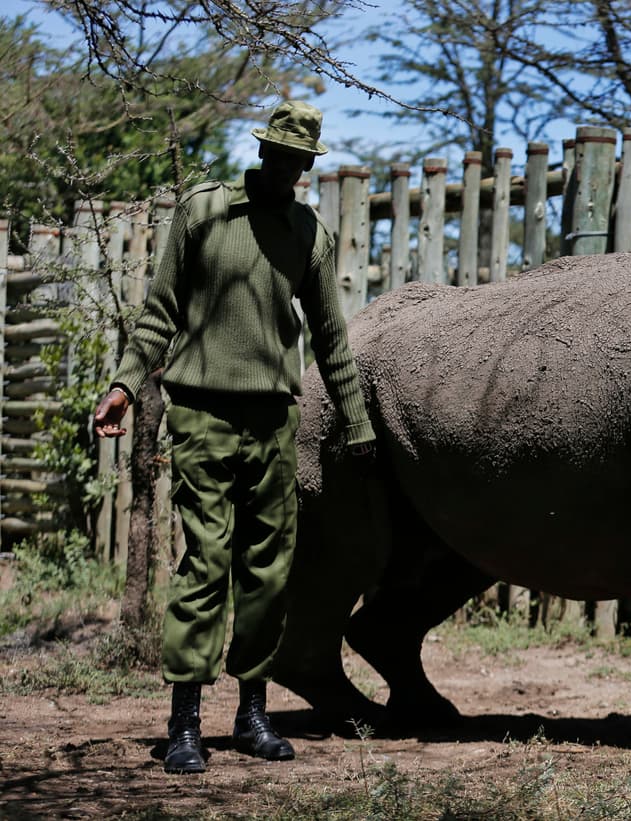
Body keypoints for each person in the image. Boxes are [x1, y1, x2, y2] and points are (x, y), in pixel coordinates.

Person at [92, 100, 375, 775]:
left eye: (297, 161)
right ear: (262, 153)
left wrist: (357, 420)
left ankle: (251, 713)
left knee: (268, 570)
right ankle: (185, 720)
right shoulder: (205, 213)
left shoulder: (309, 234)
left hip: (274, 420)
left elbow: (332, 338)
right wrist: (126, 384)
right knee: (206, 560)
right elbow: (159, 311)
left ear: (308, 167)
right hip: (203, 414)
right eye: (276, 155)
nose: (285, 168)